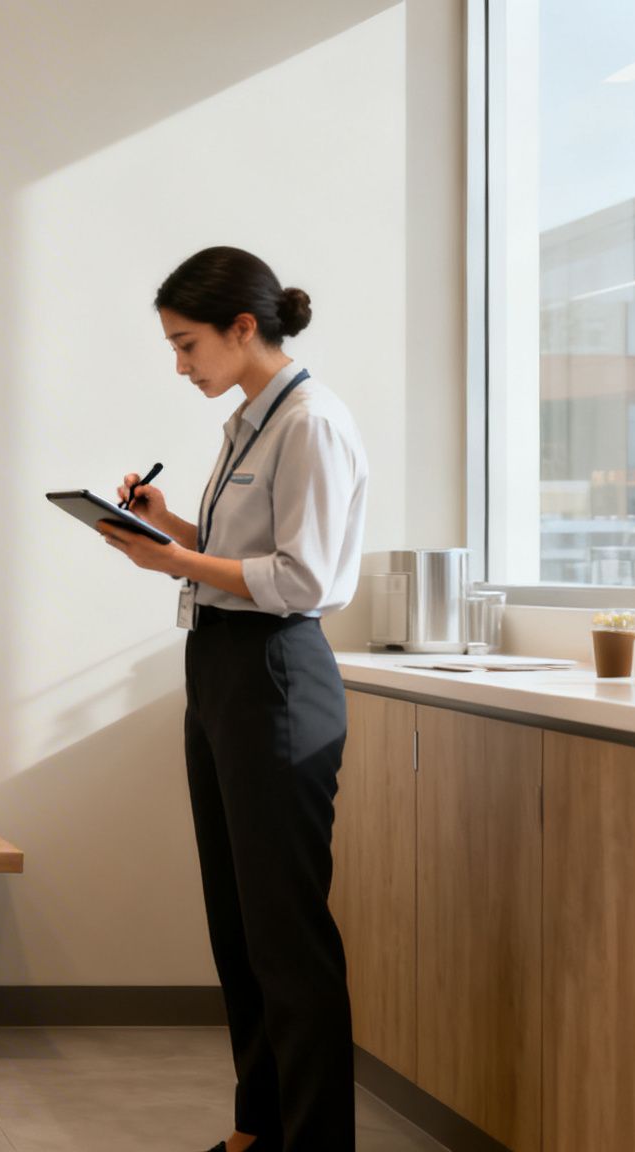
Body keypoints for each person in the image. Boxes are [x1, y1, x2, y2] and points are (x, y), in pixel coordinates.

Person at [98, 247, 368, 1152]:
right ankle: (261, 1128)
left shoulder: (311, 422)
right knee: (238, 920)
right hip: (218, 669)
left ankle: (315, 1141)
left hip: (277, 676)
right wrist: (169, 526)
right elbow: (239, 549)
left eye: (187, 345)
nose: (180, 365)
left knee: (286, 931)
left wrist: (175, 560)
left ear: (243, 328)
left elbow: (304, 577)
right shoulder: (247, 422)